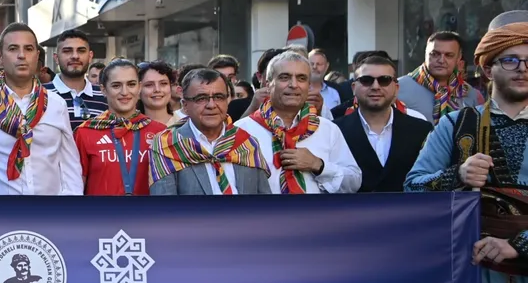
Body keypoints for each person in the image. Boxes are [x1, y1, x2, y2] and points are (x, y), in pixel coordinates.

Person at [406, 14, 528, 283]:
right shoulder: (455, 124)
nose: (522, 69)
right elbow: (412, 190)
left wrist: (518, 245)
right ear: (488, 70)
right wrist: (456, 175)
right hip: (474, 279)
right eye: (510, 59)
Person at [0, 24, 82, 196]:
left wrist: (67, 210)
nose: (22, 56)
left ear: (37, 56)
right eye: (13, 49)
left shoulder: (56, 105)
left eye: (28, 49)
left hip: (48, 215)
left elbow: (70, 166)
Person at [236, 51, 361, 194]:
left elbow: (354, 182)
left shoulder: (328, 129)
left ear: (309, 86)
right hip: (262, 215)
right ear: (268, 84)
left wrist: (318, 165)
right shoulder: (243, 131)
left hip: (316, 215)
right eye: (284, 77)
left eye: (301, 78)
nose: (293, 84)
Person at [150, 69, 271, 195]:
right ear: (185, 105)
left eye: (219, 97)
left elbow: (265, 205)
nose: (211, 105)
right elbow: (165, 209)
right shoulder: (167, 146)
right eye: (201, 98)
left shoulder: (247, 143)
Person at [333, 56, 432, 193]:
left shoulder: (422, 130)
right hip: (352, 213)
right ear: (354, 88)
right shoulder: (334, 130)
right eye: (366, 80)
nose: (375, 87)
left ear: (396, 88)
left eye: (384, 80)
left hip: (408, 213)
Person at [73, 59, 167, 195]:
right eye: (116, 86)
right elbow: (76, 186)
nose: (125, 92)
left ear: (139, 88)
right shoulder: (85, 132)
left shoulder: (160, 132)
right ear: (103, 90)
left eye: (131, 84)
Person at [399, 31, 483, 122]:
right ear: (425, 55)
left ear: (459, 58)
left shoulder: (469, 93)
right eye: (435, 54)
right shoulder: (398, 88)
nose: (441, 60)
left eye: (449, 55)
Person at [44, 30, 108, 131]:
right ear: (56, 58)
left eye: (81, 51)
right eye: (67, 51)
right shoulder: (41, 94)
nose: (75, 56)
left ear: (90, 56)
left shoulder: (105, 95)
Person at [138, 61, 178, 126]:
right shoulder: (128, 127)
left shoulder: (186, 126)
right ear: (138, 91)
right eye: (149, 85)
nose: (157, 89)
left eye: (163, 83)